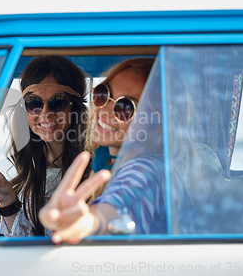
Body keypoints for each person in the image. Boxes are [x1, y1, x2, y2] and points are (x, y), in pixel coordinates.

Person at [39, 57, 196, 243]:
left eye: (125, 107)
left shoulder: (146, 171)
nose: (104, 111)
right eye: (102, 94)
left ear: (157, 124)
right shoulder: (107, 163)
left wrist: (83, 223)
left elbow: (111, 211)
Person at [0, 55, 90, 236]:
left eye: (57, 101)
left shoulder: (95, 167)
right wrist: (7, 200)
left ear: (75, 108)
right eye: (34, 103)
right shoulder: (29, 170)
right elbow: (25, 242)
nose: (45, 113)